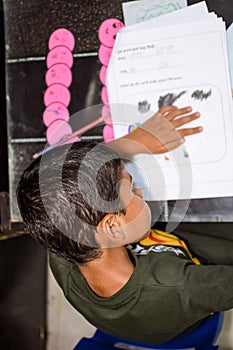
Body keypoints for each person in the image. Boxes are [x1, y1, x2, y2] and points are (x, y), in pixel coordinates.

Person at [16, 105, 233, 344]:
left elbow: (56, 184)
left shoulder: (65, 246)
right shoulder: (179, 286)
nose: (140, 190)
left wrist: (135, 141)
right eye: (132, 190)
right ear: (111, 227)